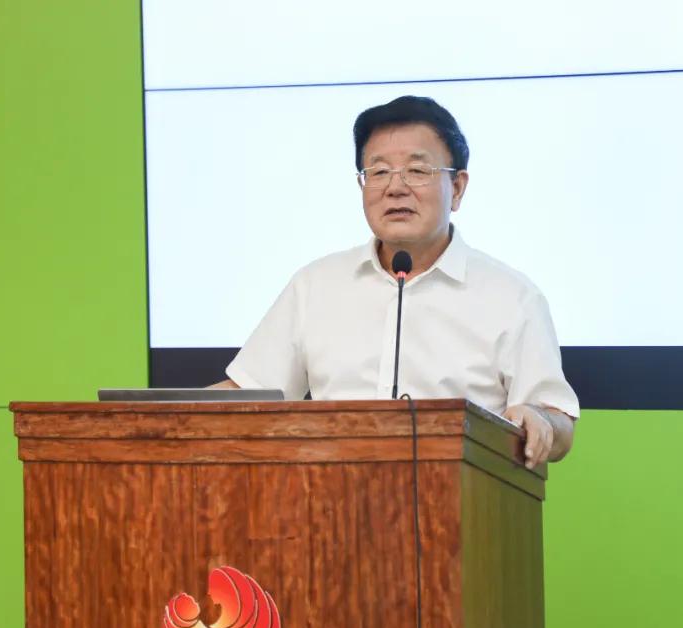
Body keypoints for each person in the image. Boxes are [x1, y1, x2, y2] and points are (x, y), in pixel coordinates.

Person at [211, 95, 579, 467]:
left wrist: (541, 420)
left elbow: (557, 418)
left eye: (417, 170)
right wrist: (177, 410)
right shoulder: (315, 285)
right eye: (379, 172)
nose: (395, 187)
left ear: (457, 188)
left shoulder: (511, 297)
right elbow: (249, 392)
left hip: (458, 496)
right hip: (327, 493)